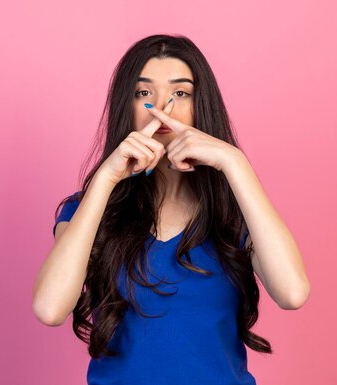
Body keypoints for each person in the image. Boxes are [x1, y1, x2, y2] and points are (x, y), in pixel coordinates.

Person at [33, 34, 311, 384]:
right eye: (144, 93)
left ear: (201, 105)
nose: (163, 107)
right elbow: (49, 308)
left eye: (181, 93)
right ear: (127, 106)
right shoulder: (85, 210)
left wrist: (234, 162)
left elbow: (292, 293)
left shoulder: (234, 212)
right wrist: (105, 179)